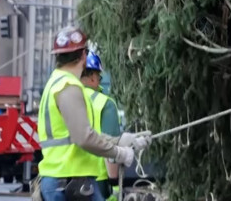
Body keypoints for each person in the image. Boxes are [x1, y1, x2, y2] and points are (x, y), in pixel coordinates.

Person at [36, 27, 150, 201]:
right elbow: (84, 138)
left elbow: (74, 135)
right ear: (83, 55)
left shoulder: (55, 83)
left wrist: (121, 140)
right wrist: (118, 153)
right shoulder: (69, 87)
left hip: (61, 180)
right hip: (70, 182)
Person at [80, 52, 122, 201]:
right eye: (99, 77)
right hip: (96, 181)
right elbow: (110, 147)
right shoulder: (104, 103)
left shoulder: (63, 98)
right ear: (92, 76)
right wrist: (115, 185)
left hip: (62, 177)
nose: (99, 81)